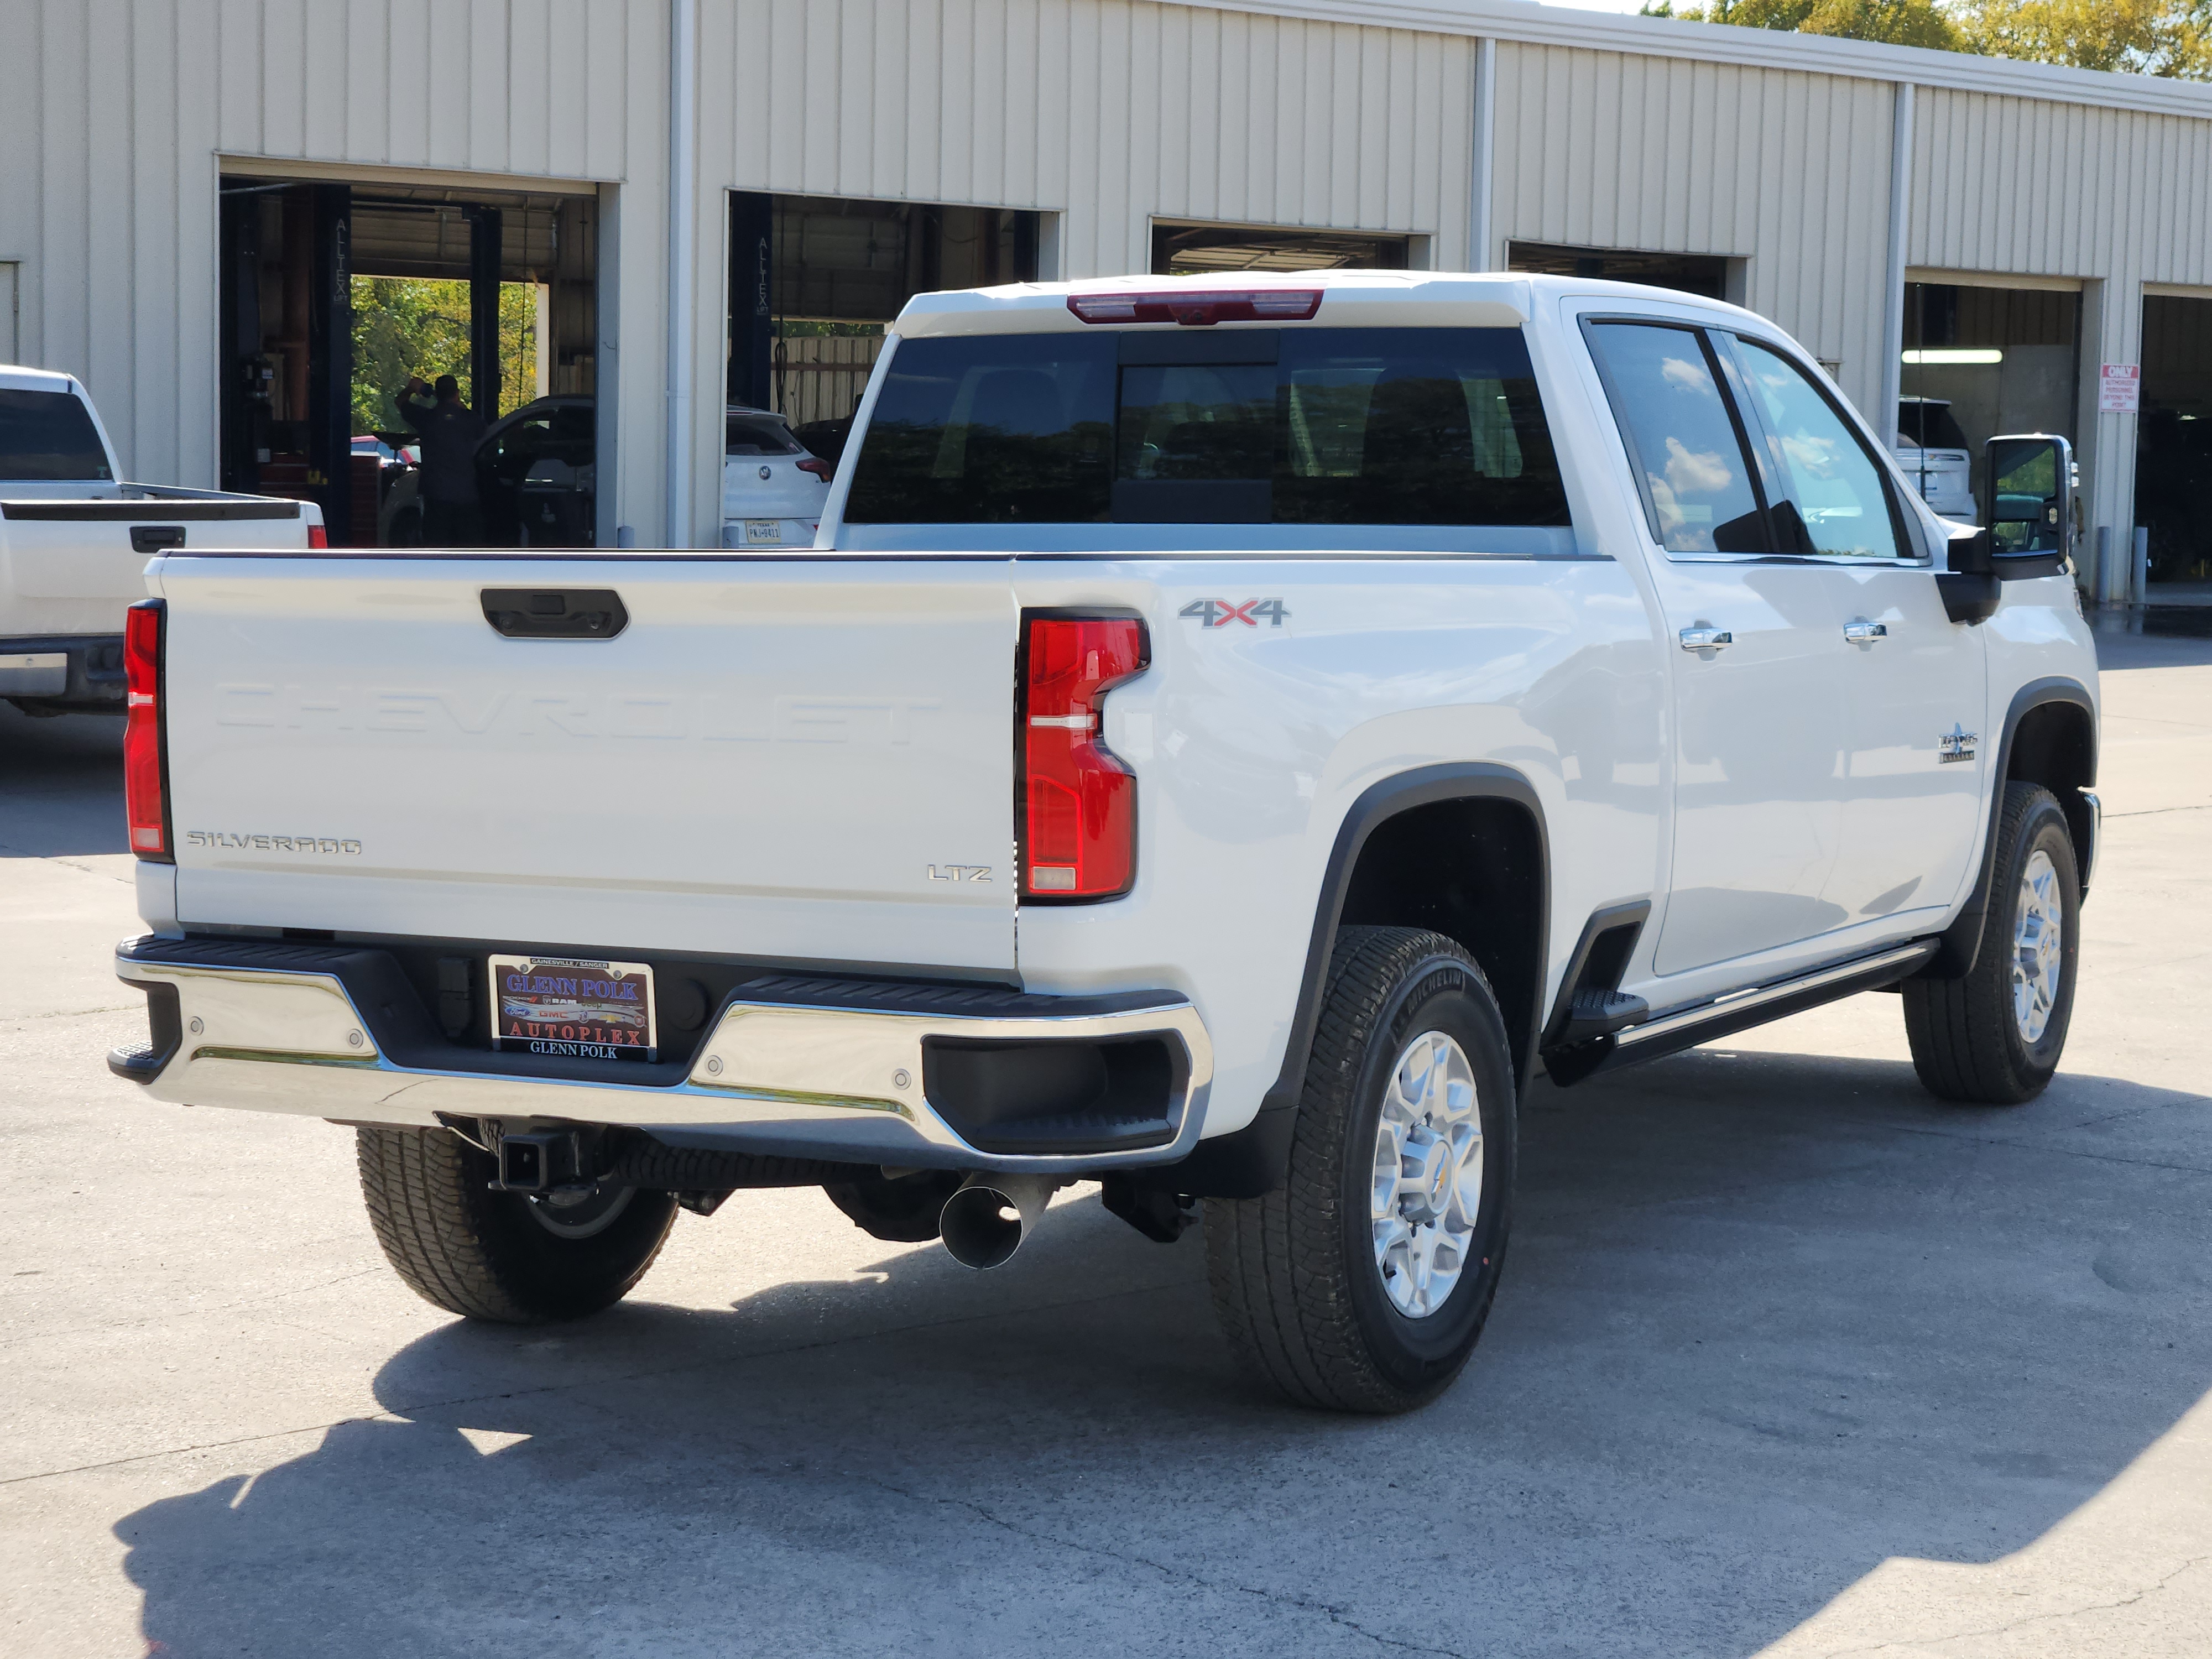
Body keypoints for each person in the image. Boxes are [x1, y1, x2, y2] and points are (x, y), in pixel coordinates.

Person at [395, 374, 486, 546]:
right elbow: (482, 428)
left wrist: (413, 388)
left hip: (436, 496)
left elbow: (400, 402)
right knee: (467, 551)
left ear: (437, 392)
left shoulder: (426, 418)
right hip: (466, 496)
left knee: (437, 550)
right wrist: (448, 400)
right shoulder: (469, 420)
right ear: (457, 393)